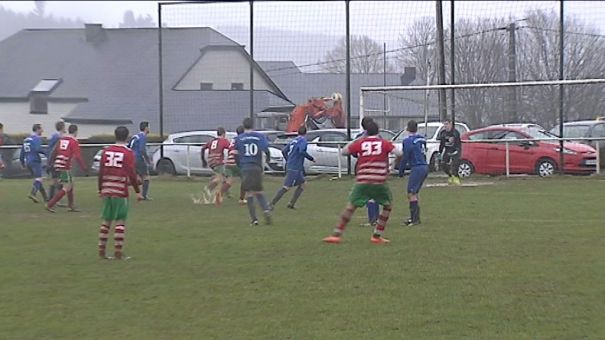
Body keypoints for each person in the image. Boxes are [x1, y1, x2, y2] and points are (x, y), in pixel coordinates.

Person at [323, 121, 401, 245]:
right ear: (378, 132)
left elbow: (344, 152)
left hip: (363, 180)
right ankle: (377, 235)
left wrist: (357, 140)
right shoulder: (385, 143)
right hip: (379, 181)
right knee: (387, 206)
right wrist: (392, 165)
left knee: (351, 207)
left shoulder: (361, 143)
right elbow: (399, 153)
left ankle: (336, 235)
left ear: (366, 132)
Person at [97, 126, 143, 260]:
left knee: (106, 220)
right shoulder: (128, 153)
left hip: (106, 188)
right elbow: (131, 174)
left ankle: (102, 250)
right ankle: (118, 252)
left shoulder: (106, 151)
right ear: (127, 137)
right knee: (120, 221)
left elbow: (101, 172)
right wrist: (137, 191)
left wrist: (100, 189)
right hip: (120, 190)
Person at [235, 117, 272, 226]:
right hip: (256, 167)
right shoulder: (259, 136)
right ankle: (266, 210)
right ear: (253, 125)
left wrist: (240, 166)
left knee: (250, 193)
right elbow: (266, 149)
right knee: (259, 191)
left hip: (245, 167)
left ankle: (254, 220)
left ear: (243, 126)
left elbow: (235, 154)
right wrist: (268, 159)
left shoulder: (239, 138)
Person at [270, 126, 315, 209]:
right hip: (294, 167)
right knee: (286, 187)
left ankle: (291, 204)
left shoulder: (293, 141)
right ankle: (271, 204)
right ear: (306, 133)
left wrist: (288, 160)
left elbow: (284, 151)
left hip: (293, 166)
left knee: (302, 184)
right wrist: (311, 158)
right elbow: (302, 151)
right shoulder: (303, 141)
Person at [46, 124, 88, 213]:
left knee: (70, 184)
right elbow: (78, 156)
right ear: (76, 132)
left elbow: (54, 151)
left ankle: (71, 206)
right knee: (67, 187)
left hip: (58, 163)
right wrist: (84, 167)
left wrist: (50, 162)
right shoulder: (74, 141)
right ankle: (50, 204)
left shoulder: (62, 139)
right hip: (65, 165)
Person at [398, 120, 429, 226]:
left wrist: (401, 171)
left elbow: (405, 156)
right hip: (424, 166)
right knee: (414, 193)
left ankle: (415, 219)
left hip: (417, 167)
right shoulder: (421, 139)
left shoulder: (407, 141)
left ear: (407, 129)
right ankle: (414, 218)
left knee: (411, 193)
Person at [355, 117, 380, 226]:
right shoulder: (379, 138)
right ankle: (377, 218)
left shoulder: (360, 138)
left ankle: (372, 220)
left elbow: (353, 151)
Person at [201, 127, 231, 206]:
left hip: (211, 161)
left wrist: (203, 160)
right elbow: (230, 148)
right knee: (224, 178)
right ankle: (208, 189)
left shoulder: (212, 141)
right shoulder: (224, 141)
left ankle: (226, 194)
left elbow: (203, 148)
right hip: (218, 161)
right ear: (224, 134)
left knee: (224, 176)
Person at [20, 124, 48, 203]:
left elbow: (22, 152)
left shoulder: (26, 140)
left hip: (28, 162)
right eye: (41, 129)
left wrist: (22, 163)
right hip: (35, 161)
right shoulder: (37, 138)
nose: (42, 131)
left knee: (38, 179)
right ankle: (33, 193)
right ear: (37, 129)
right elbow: (38, 149)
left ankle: (46, 197)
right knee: (39, 179)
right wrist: (47, 153)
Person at [128, 121, 152, 200]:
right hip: (138, 159)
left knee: (135, 178)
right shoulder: (142, 137)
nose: (149, 129)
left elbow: (128, 147)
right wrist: (147, 159)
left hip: (131, 158)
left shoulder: (135, 136)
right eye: (148, 127)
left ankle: (117, 187)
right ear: (146, 128)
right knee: (146, 177)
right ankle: (144, 196)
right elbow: (142, 149)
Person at [224, 126, 246, 204]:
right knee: (245, 180)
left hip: (229, 160)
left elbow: (230, 150)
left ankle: (219, 194)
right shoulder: (243, 139)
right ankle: (241, 199)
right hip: (237, 160)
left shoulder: (233, 140)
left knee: (229, 181)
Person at [438, 119, 462, 185]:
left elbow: (458, 143)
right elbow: (442, 144)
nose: (446, 126)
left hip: (455, 150)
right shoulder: (443, 133)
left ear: (450, 124)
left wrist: (457, 151)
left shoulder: (455, 132)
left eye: (447, 124)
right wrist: (440, 152)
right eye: (445, 124)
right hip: (447, 150)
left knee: (455, 164)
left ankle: (456, 178)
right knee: (443, 165)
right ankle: (450, 176)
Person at [47, 121, 66, 203]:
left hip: (53, 160)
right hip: (56, 160)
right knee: (59, 180)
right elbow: (55, 150)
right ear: (62, 127)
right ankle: (56, 200)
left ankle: (51, 198)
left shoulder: (54, 136)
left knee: (55, 179)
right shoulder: (58, 137)